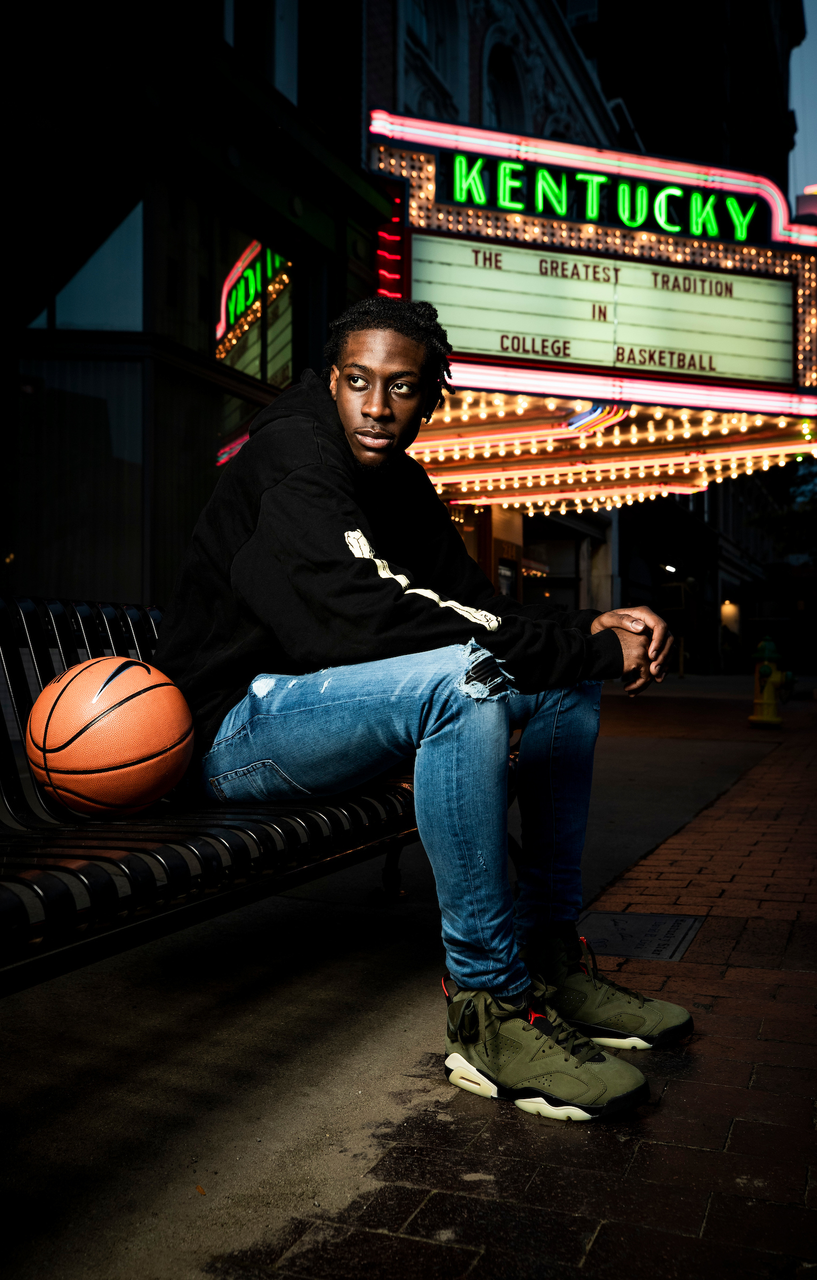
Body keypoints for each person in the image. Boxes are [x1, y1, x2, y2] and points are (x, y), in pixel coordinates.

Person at [155, 297, 691, 1123]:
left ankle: (548, 959)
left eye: (400, 388)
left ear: (427, 397)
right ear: (330, 381)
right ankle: (487, 1010)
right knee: (465, 680)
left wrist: (585, 630)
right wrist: (581, 645)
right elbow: (356, 614)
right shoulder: (293, 459)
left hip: (326, 716)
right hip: (234, 731)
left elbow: (471, 602)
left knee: (556, 684)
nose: (377, 407)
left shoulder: (398, 483)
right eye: (359, 383)